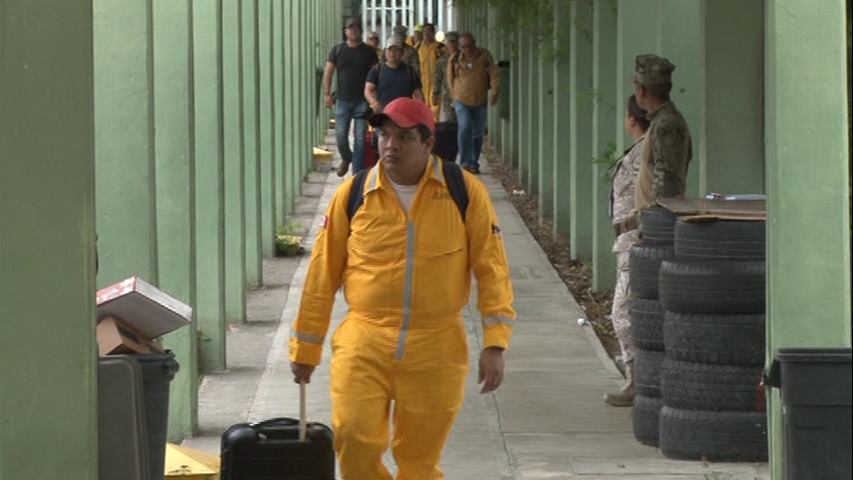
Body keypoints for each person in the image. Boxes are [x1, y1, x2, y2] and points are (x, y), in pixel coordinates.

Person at [289, 97, 516, 479]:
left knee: (419, 462)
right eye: (384, 135)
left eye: (404, 137)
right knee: (355, 441)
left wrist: (495, 342)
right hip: (365, 339)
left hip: (437, 347)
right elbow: (322, 275)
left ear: (428, 143)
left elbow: (492, 269)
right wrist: (306, 347)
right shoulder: (355, 193)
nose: (390, 145)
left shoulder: (464, 191)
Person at [603, 95, 649, 407]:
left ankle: (636, 379)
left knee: (623, 311)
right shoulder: (640, 148)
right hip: (628, 237)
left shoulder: (645, 149)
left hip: (636, 237)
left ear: (631, 119)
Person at [632, 53, 692, 210]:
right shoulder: (662, 122)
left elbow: (666, 184)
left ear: (642, 90)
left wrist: (650, 226)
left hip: (658, 225)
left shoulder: (666, 125)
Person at [323, 17, 378, 177]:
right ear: (345, 31)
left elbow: (375, 74)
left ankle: (357, 173)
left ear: (361, 31)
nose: (353, 31)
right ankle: (347, 158)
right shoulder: (338, 50)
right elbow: (328, 72)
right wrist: (327, 94)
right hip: (342, 100)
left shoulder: (369, 52)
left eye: (356, 28)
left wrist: (374, 99)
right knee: (340, 136)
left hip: (362, 101)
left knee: (360, 138)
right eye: (350, 28)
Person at [447, 32, 499, 174]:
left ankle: (473, 162)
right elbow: (450, 79)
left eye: (470, 46)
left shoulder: (484, 56)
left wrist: (495, 92)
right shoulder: (455, 59)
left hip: (480, 99)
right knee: (464, 128)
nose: (468, 50)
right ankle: (464, 163)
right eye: (464, 47)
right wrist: (454, 97)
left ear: (475, 44)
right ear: (460, 47)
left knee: (477, 133)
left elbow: (494, 73)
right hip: (461, 100)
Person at [364, 37, 424, 114]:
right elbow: (368, 90)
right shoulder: (377, 70)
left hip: (405, 115)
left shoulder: (410, 71)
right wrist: (374, 103)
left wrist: (420, 109)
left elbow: (418, 93)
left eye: (396, 50)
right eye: (390, 50)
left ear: (402, 53)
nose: (392, 53)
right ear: (385, 52)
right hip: (383, 115)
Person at [415, 23, 446, 117]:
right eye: (425, 31)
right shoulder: (417, 47)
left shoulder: (440, 47)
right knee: (420, 110)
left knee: (434, 110)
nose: (426, 33)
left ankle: (433, 129)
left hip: (435, 84)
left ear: (433, 33)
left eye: (429, 31)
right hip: (421, 85)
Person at [433, 31, 460, 123]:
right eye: (450, 42)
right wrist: (435, 95)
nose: (452, 44)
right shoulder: (442, 60)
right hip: (447, 95)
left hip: (462, 95)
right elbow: (437, 78)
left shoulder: (464, 58)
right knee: (449, 120)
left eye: (455, 42)